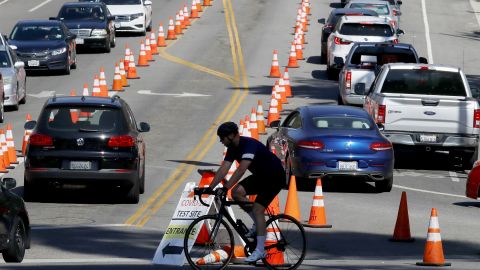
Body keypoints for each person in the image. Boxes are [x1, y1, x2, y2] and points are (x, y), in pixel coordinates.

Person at [208, 122, 286, 263]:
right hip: (261, 176)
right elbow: (224, 168)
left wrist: (225, 188)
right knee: (237, 193)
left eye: (222, 138)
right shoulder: (232, 148)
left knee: (258, 209)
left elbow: (241, 170)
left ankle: (260, 251)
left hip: (275, 176)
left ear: (231, 136)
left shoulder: (248, 145)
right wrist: (210, 187)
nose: (221, 141)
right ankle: (258, 224)